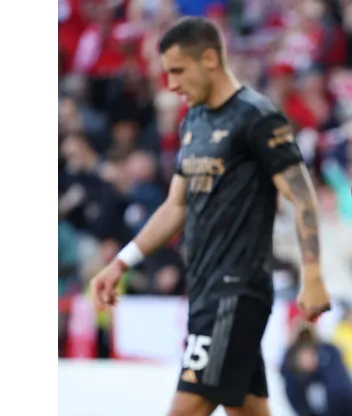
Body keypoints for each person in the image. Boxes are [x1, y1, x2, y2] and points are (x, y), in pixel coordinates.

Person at [89, 17, 331, 416]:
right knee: (248, 408)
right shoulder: (194, 120)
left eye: (178, 71)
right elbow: (176, 206)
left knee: (186, 408)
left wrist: (314, 275)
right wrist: (121, 262)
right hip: (203, 288)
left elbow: (302, 195)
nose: (170, 84)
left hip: (236, 290)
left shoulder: (257, 116)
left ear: (210, 59)